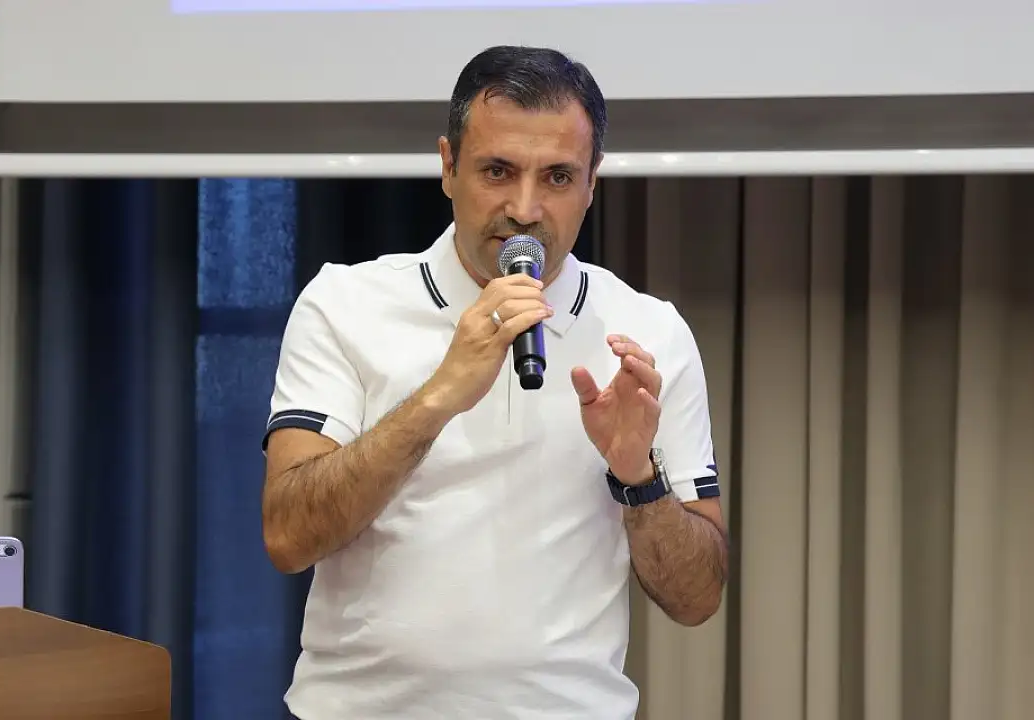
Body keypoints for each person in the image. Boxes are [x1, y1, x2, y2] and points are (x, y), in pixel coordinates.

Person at [262, 44, 728, 719]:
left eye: (558, 177)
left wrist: (639, 477)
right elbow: (287, 536)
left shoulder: (648, 331)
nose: (525, 208)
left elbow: (697, 599)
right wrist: (438, 397)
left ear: (592, 183)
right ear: (448, 166)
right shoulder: (345, 303)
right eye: (498, 171)